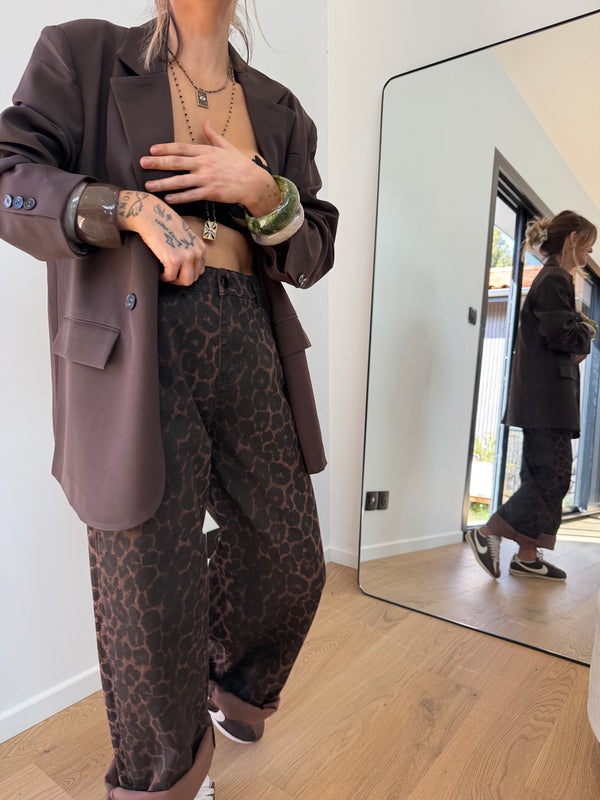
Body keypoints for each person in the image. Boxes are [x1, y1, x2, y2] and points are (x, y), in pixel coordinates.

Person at [0, 2, 338, 798]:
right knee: (149, 587)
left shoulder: (281, 109)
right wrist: (128, 207)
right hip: (135, 347)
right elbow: (10, 177)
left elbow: (313, 248)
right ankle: (166, 778)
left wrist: (266, 193)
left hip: (250, 336)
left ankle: (228, 684)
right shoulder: (83, 56)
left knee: (291, 564)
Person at [466, 210, 597, 584]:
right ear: (572, 239)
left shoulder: (554, 278)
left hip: (544, 401)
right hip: (547, 402)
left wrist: (578, 330)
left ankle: (526, 556)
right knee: (552, 477)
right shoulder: (555, 278)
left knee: (542, 475)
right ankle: (488, 532)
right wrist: (586, 333)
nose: (589, 253)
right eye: (588, 244)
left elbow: (555, 334)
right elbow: (563, 335)